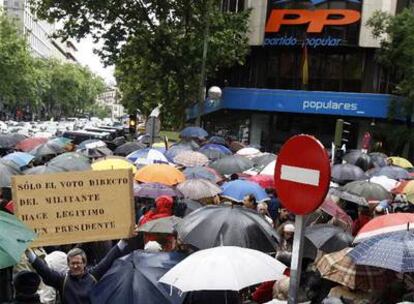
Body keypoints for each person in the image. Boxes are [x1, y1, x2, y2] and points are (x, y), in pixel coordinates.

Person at [25, 227, 138, 304]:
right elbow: (44, 270)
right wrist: (28, 252)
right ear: (68, 264)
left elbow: (109, 259)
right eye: (72, 263)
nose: (75, 266)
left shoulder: (93, 275)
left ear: (84, 263)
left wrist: (124, 241)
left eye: (78, 263)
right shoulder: (62, 280)